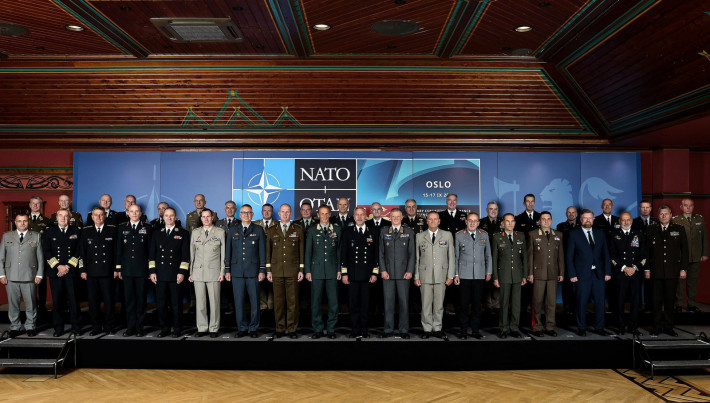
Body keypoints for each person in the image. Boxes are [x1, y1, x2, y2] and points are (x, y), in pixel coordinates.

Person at [566, 209, 611, 337]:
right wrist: (572, 274)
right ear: (581, 220)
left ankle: (599, 327)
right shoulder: (574, 234)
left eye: (590, 218)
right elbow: (569, 257)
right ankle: (581, 327)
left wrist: (608, 272)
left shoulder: (600, 233)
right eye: (585, 218)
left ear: (593, 219)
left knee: (600, 302)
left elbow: (606, 254)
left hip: (599, 274)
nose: (588, 220)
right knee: (581, 302)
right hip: (581, 275)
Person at [646, 205, 688, 336]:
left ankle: (669, 326)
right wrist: (647, 268)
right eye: (661, 214)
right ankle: (656, 327)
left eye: (666, 213)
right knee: (656, 301)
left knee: (670, 301)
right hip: (656, 271)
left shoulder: (679, 229)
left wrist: (683, 268)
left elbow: (685, 251)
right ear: (658, 216)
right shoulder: (651, 229)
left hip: (672, 271)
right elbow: (646, 251)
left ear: (671, 215)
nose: (664, 216)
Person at [225, 204, 266, 338]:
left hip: (253, 271)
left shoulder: (258, 230)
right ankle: (242, 327)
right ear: (240, 214)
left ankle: (253, 328)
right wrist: (227, 270)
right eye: (243, 213)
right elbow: (228, 251)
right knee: (238, 302)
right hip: (236, 271)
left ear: (252, 215)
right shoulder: (233, 230)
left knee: (255, 302)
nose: (246, 215)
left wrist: (262, 270)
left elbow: (262, 251)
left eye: (248, 213)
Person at [0, 213, 43, 337]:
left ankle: (30, 326)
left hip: (30, 276)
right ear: (15, 222)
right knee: (13, 304)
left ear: (28, 222)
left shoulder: (36, 236)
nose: (22, 223)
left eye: (25, 221)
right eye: (19, 221)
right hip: (11, 276)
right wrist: (1, 274)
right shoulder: (7, 236)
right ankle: (15, 327)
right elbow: (1, 257)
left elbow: (40, 258)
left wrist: (39, 274)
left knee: (31, 304)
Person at [149, 207, 190, 337]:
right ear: (163, 217)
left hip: (175, 274)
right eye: (166, 215)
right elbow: (152, 254)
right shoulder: (156, 233)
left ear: (175, 217)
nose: (169, 218)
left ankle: (177, 329)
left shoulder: (183, 233)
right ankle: (164, 329)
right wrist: (152, 271)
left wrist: (182, 272)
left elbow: (185, 255)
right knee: (161, 304)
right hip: (160, 274)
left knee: (176, 304)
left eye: (171, 215)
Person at [266, 203, 305, 339]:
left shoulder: (298, 229)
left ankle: (292, 328)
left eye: (287, 212)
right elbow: (268, 252)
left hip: (292, 271)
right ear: (279, 213)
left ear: (291, 214)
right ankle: (280, 328)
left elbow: (301, 251)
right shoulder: (272, 230)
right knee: (278, 302)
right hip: (276, 271)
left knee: (293, 302)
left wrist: (301, 269)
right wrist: (268, 270)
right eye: (282, 212)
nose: (285, 214)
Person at [415, 211, 454, 339]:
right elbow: (417, 258)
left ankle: (437, 328)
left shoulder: (447, 235)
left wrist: (450, 275)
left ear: (439, 221)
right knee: (426, 305)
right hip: (425, 275)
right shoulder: (420, 236)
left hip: (441, 275)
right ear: (427, 221)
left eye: (435, 219)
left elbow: (451, 256)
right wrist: (416, 276)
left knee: (439, 305)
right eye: (430, 219)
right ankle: (427, 329)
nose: (432, 221)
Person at [341, 207, 379, 338]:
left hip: (367, 275)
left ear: (366, 216)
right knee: (353, 304)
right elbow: (344, 254)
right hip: (352, 275)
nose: (359, 217)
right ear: (353, 216)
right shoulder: (347, 232)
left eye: (362, 215)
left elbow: (376, 254)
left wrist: (375, 272)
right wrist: (344, 273)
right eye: (357, 215)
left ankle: (364, 329)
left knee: (366, 304)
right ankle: (354, 329)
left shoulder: (373, 232)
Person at [304, 205, 342, 339]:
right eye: (322, 214)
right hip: (316, 271)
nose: (324, 216)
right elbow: (308, 252)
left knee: (334, 302)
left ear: (330, 214)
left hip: (332, 270)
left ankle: (331, 329)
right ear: (318, 215)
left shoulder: (337, 229)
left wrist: (339, 269)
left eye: (327, 214)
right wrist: (308, 270)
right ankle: (318, 329)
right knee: (316, 301)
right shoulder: (312, 230)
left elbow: (339, 251)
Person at [42, 209, 81, 336]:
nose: (63, 218)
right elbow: (46, 251)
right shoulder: (49, 232)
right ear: (56, 217)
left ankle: (76, 327)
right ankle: (58, 328)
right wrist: (58, 266)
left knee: (74, 301)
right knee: (57, 301)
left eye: (66, 216)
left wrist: (68, 266)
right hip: (56, 272)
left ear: (70, 218)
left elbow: (79, 251)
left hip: (71, 271)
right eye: (60, 216)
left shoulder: (76, 231)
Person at [115, 204, 151, 337]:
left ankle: (140, 328)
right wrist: (118, 268)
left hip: (142, 270)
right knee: (129, 301)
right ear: (128, 213)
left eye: (137, 211)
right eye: (132, 211)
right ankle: (130, 327)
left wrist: (150, 269)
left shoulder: (147, 228)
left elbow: (150, 250)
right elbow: (118, 249)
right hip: (127, 270)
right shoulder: (121, 228)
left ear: (140, 213)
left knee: (141, 300)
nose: (134, 214)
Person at [526, 211, 565, 337]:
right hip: (538, 274)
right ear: (540, 221)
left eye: (548, 219)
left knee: (551, 303)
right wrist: (530, 273)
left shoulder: (558, 235)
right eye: (543, 219)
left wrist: (561, 272)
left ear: (552, 221)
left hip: (553, 274)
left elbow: (560, 256)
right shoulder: (532, 234)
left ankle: (550, 326)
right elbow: (530, 256)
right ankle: (537, 326)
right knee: (537, 302)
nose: (546, 221)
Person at [80, 207, 117, 336]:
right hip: (91, 272)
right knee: (93, 302)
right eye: (96, 215)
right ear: (92, 217)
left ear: (105, 216)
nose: (98, 217)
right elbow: (82, 253)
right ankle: (96, 326)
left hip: (107, 272)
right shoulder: (86, 231)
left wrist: (116, 269)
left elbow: (116, 252)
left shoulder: (112, 230)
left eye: (101, 215)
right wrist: (82, 270)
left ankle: (109, 326)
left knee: (109, 301)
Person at [454, 212, 492, 339]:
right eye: (470, 220)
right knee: (463, 305)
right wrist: (456, 274)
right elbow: (456, 256)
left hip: (479, 275)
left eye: (475, 221)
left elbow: (488, 255)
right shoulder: (459, 235)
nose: (472, 223)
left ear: (478, 223)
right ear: (466, 222)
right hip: (464, 275)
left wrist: (488, 271)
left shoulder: (484, 235)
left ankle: (475, 330)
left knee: (477, 305)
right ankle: (463, 331)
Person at [378, 208, 415, 339]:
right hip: (387, 274)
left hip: (403, 274)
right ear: (390, 217)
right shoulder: (384, 232)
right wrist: (383, 270)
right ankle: (388, 329)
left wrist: (410, 271)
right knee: (388, 303)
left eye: (398, 216)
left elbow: (412, 254)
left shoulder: (408, 232)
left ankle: (403, 330)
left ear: (402, 217)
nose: (395, 219)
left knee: (404, 303)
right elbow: (380, 253)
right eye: (393, 216)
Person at [190, 208, 226, 338]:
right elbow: (192, 254)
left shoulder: (220, 232)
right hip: (198, 271)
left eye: (208, 216)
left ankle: (214, 328)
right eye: (203, 217)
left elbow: (223, 254)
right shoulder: (195, 233)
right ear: (201, 218)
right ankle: (202, 327)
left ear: (212, 218)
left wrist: (222, 272)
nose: (206, 219)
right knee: (200, 303)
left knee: (214, 302)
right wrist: (191, 272)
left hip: (214, 272)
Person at [609, 212, 645, 335]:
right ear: (619, 221)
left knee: (635, 301)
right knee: (619, 301)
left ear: (632, 221)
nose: (626, 222)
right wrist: (624, 268)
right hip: (620, 273)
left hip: (635, 273)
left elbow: (643, 255)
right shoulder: (614, 235)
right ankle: (621, 326)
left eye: (628, 220)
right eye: (623, 220)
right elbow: (612, 256)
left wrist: (634, 268)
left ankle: (633, 326)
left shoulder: (638, 234)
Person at [492, 213, 527, 338]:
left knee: (516, 304)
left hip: (517, 274)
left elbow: (524, 258)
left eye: (512, 221)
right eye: (507, 221)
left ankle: (514, 328)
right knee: (504, 304)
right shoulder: (497, 237)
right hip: (504, 275)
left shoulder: (520, 236)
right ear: (503, 223)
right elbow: (494, 259)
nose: (510, 223)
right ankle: (503, 328)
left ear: (515, 223)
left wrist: (525, 275)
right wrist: (495, 277)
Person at [672, 198, 708, 313]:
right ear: (681, 207)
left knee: (693, 282)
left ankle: (691, 304)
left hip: (696, 255)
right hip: (681, 256)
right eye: (686, 205)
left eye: (690, 205)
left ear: (693, 207)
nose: (688, 208)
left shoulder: (699, 219)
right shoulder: (676, 220)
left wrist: (705, 253)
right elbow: (673, 240)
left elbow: (704, 237)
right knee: (680, 282)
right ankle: (679, 304)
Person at [28, 196, 51, 317]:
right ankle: (33, 305)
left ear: (41, 205)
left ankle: (42, 306)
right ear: (30, 205)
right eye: (33, 203)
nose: (35, 205)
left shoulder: (47, 220)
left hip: (41, 255)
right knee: (28, 280)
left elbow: (49, 239)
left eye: (38, 203)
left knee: (41, 281)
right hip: (27, 255)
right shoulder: (23, 219)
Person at [480, 201, 503, 314]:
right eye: (491, 209)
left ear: (498, 210)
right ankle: (487, 305)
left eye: (495, 209)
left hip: (500, 256)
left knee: (498, 280)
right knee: (487, 280)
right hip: (484, 256)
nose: (493, 211)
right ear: (487, 210)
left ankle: (497, 304)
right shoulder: (481, 222)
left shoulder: (503, 222)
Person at [556, 206, 580, 315]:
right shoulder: (560, 226)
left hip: (579, 260)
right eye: (569, 212)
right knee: (566, 286)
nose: (571, 214)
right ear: (566, 214)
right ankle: (567, 308)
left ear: (576, 214)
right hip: (566, 260)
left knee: (579, 286)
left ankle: (578, 308)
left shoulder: (581, 226)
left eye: (573, 212)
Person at [254, 203, 277, 312]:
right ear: (261, 212)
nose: (267, 213)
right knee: (260, 281)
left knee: (273, 281)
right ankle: (263, 304)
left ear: (272, 212)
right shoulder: (255, 224)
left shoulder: (278, 224)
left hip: (274, 256)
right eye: (265, 210)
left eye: (269, 211)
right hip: (258, 256)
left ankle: (271, 304)